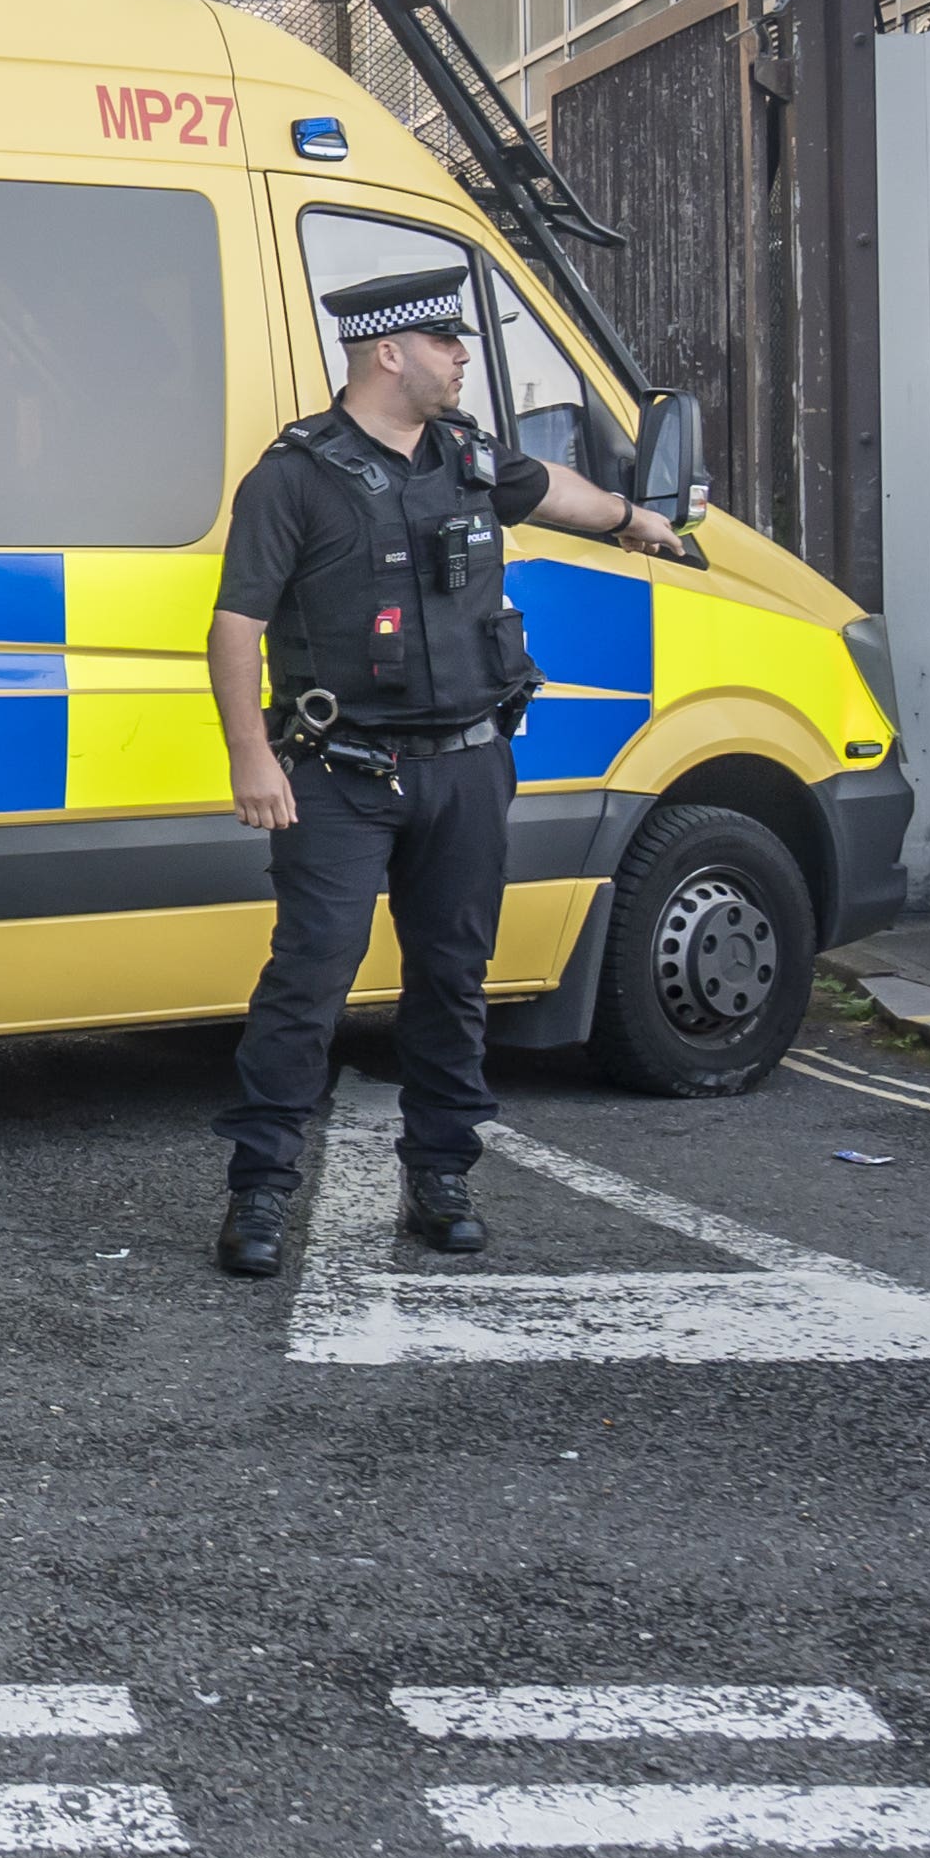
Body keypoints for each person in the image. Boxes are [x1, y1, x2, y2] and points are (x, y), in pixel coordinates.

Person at [208, 268, 703, 1279]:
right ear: (388, 353)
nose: (463, 358)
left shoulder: (466, 456)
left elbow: (549, 489)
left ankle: (440, 1175)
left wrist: (629, 518)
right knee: (308, 984)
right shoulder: (293, 476)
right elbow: (234, 624)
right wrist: (250, 756)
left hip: (469, 765)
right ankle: (259, 1191)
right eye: (447, 343)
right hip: (341, 774)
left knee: (451, 978)